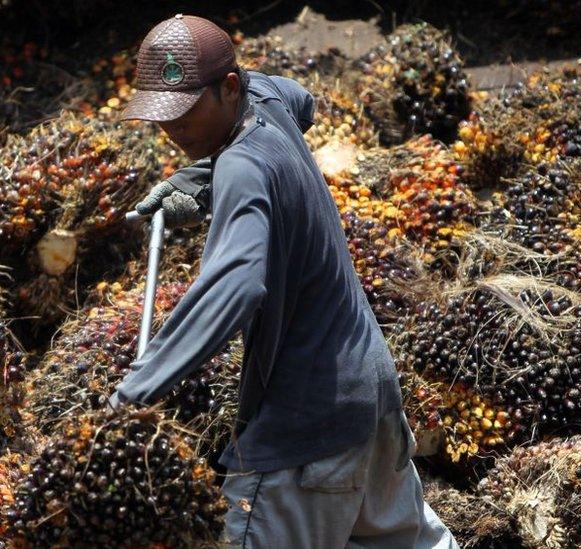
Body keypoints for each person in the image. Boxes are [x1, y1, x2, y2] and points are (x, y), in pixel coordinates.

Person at [106, 13, 459, 548]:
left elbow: (238, 284)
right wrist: (199, 180)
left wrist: (140, 386)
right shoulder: (265, 98)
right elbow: (302, 101)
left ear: (228, 87)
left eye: (183, 113)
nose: (170, 129)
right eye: (160, 116)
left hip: (304, 429)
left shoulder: (242, 168)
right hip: (370, 393)